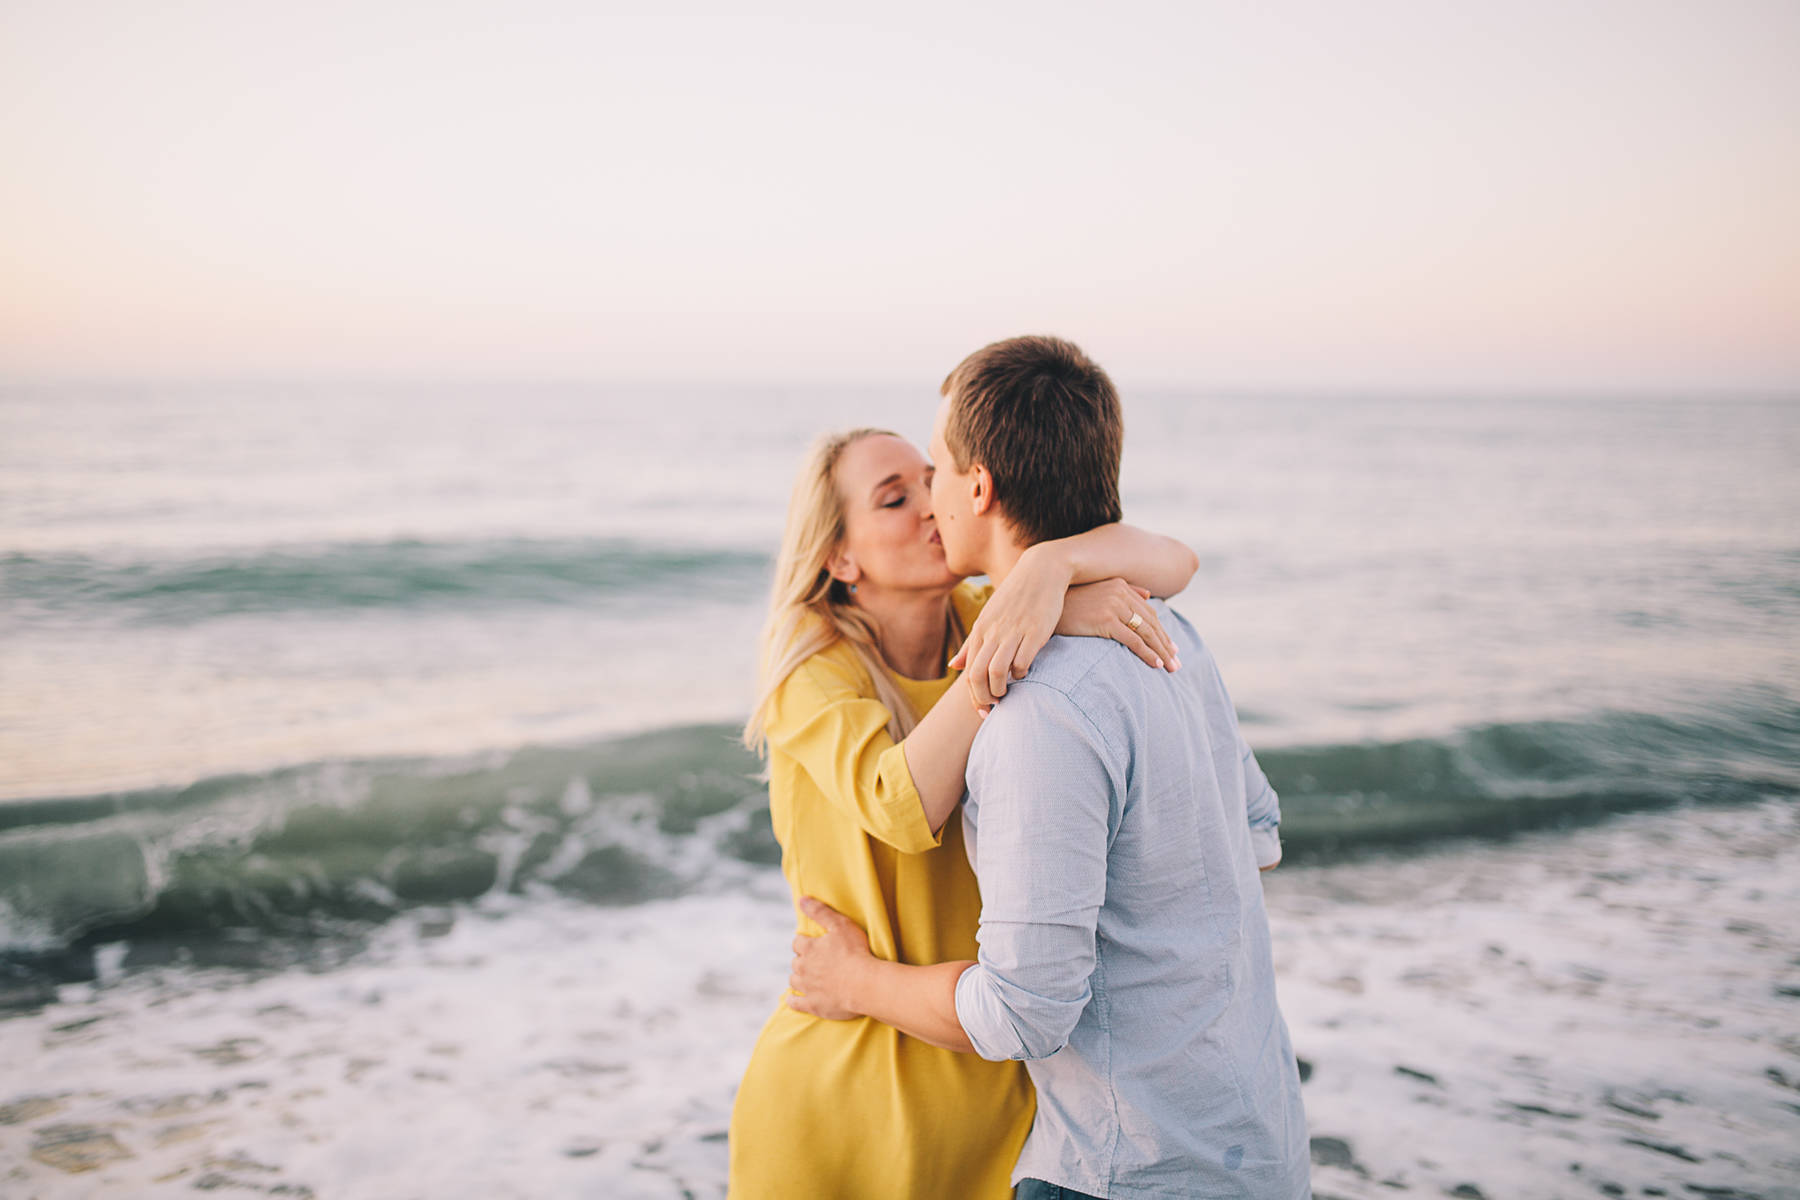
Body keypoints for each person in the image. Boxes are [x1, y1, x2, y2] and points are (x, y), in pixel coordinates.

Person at [788, 337, 1312, 1198]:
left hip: (1127, 1168)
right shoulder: (1169, 635)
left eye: (938, 474)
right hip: (1254, 1139)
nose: (930, 502)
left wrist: (857, 981)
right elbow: (1258, 834)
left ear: (980, 487)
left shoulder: (1035, 711)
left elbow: (1022, 1013)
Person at [728, 423, 1201, 1199]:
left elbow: (1176, 563)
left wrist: (1053, 568)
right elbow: (901, 805)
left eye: (927, 480)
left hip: (992, 1065)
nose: (927, 506)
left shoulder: (992, 612)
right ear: (840, 558)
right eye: (892, 499)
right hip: (844, 1084)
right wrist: (1023, 631)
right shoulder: (810, 671)